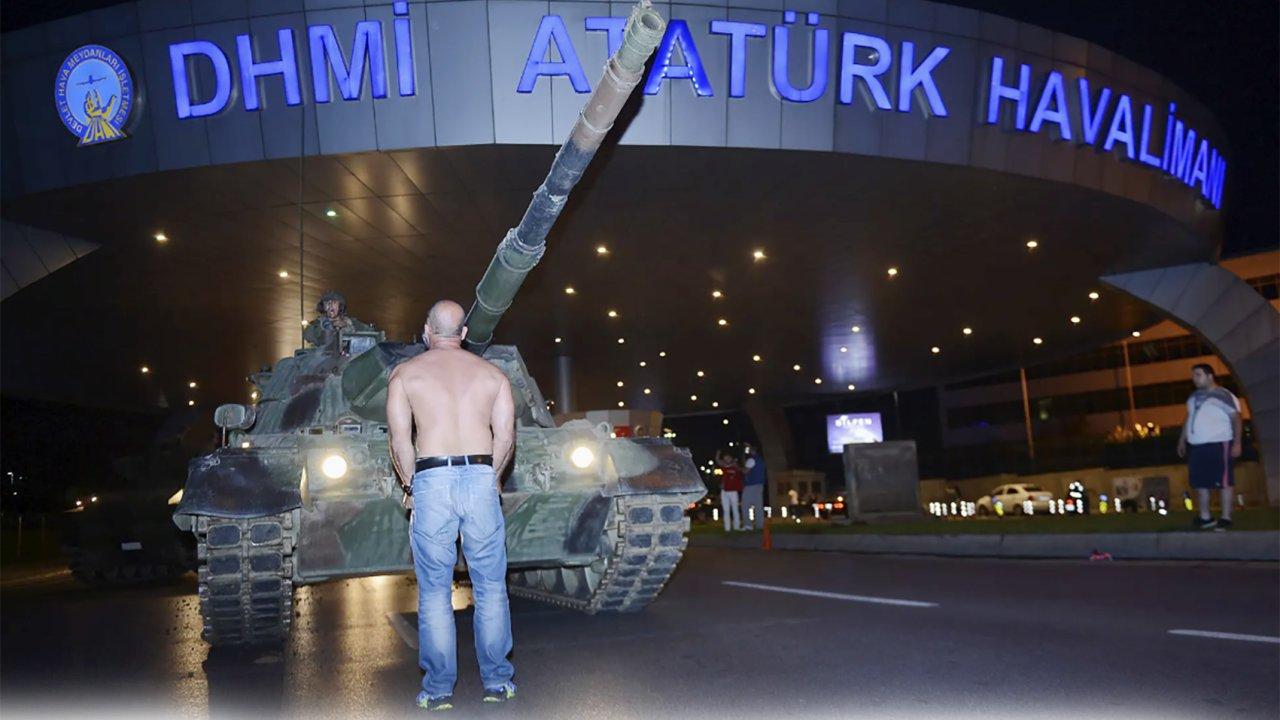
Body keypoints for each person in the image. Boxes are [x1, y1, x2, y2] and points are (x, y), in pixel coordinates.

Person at [386, 300, 517, 710]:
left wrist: (411, 485)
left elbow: (399, 441)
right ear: (463, 333)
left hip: (432, 480)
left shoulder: (405, 374)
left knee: (434, 593)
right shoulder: (494, 375)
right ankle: (498, 682)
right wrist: (491, 478)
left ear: (427, 331)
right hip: (480, 477)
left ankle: (439, 689)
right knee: (491, 588)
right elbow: (505, 437)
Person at [1176, 363, 1243, 531]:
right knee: (1200, 483)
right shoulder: (1193, 397)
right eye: (1193, 375)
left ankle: (1226, 517)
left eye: (1198, 375)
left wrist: (1237, 442)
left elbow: (1236, 418)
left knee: (1224, 482)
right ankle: (1205, 517)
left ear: (1210, 376)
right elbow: (1189, 417)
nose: (1194, 378)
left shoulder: (1223, 395)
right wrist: (1182, 439)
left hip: (1219, 443)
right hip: (1197, 446)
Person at [303, 290, 374, 351]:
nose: (330, 305)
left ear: (340, 306)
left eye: (334, 302)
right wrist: (329, 326)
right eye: (327, 303)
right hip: (325, 357)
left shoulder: (351, 322)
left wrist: (345, 325)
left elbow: (371, 332)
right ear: (323, 307)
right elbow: (308, 335)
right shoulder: (318, 323)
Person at [717, 450, 745, 532]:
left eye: (728, 458)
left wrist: (736, 465)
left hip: (733, 491)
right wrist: (717, 455)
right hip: (724, 491)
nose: (726, 460)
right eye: (725, 458)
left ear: (731, 458)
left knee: (735, 509)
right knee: (726, 510)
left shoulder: (735, 466)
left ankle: (737, 527)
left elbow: (741, 471)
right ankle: (727, 528)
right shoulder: (724, 466)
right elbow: (719, 461)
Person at [741, 448, 766, 530]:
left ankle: (748, 525)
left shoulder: (751, 460)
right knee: (758, 506)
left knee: (745, 505)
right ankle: (760, 525)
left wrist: (737, 467)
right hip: (760, 484)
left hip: (751, 485)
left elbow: (745, 471)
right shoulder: (761, 460)